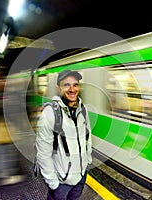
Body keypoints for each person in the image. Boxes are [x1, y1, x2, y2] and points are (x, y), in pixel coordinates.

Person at [36, 70, 92, 200]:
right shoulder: (50, 114)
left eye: (75, 85)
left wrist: (87, 162)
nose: (72, 89)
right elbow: (43, 153)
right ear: (58, 88)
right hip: (61, 183)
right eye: (66, 85)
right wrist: (53, 184)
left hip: (80, 176)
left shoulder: (83, 110)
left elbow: (87, 137)